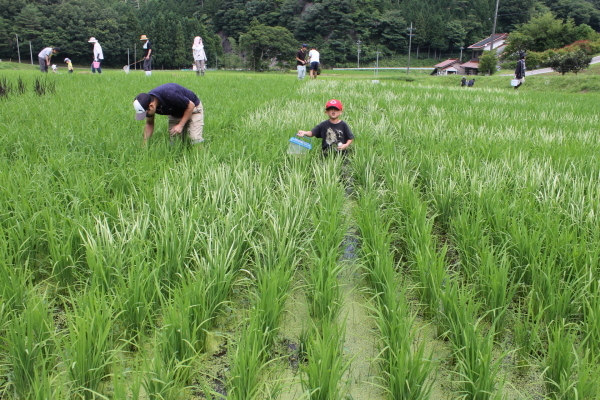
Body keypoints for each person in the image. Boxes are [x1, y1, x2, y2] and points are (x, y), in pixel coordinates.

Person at [133, 83, 204, 145]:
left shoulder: (170, 95)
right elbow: (149, 123)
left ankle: (200, 157)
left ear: (151, 106)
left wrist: (180, 125)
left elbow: (190, 105)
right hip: (175, 112)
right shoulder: (147, 102)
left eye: (146, 114)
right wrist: (145, 143)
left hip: (193, 109)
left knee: (195, 140)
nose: (146, 116)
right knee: (174, 143)